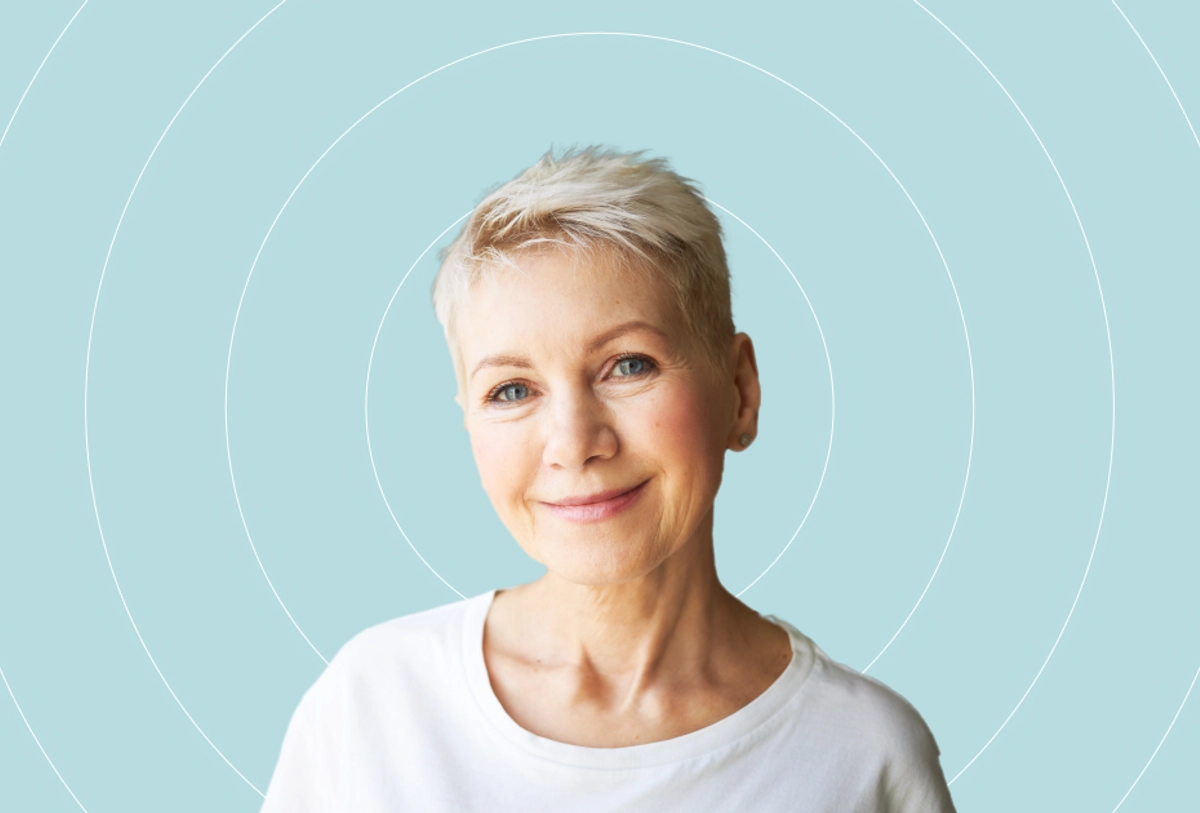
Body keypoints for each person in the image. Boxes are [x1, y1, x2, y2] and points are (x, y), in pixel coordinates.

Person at [260, 146, 957, 812]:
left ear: (739, 389)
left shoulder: (864, 755)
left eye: (629, 365)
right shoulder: (372, 706)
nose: (573, 443)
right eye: (511, 389)